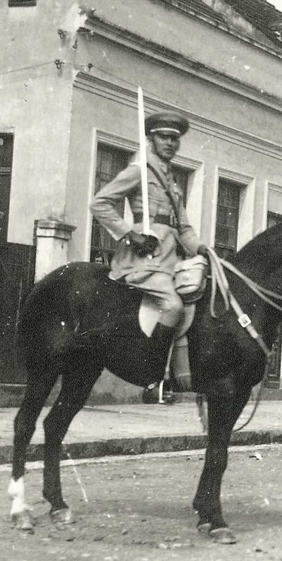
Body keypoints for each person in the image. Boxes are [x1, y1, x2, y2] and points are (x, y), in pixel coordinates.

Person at [90, 112, 207, 393]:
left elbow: (185, 229)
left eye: (174, 139)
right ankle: (152, 374)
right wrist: (131, 234)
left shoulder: (172, 181)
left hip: (171, 260)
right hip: (142, 259)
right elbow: (100, 203)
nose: (169, 143)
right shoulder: (139, 170)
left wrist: (203, 250)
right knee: (173, 305)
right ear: (151, 139)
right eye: (163, 137)